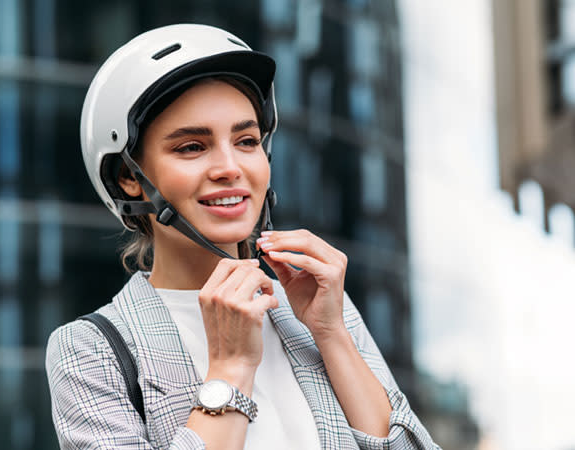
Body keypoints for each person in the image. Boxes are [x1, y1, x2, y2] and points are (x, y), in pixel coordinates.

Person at [46, 24, 439, 450]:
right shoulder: (90, 349)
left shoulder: (320, 309)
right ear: (129, 179)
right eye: (192, 147)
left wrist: (331, 334)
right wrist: (230, 368)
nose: (230, 167)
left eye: (247, 140)